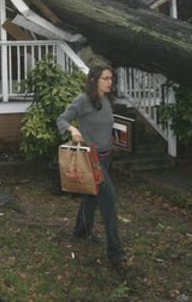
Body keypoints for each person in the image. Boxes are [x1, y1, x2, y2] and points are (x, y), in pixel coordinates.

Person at [56, 65, 127, 269]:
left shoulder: (106, 101)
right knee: (109, 200)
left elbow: (106, 127)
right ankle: (116, 254)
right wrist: (72, 129)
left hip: (105, 158)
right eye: (105, 78)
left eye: (111, 78)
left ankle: (80, 230)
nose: (109, 82)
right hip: (91, 160)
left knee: (91, 196)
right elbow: (61, 119)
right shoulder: (83, 101)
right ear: (94, 80)